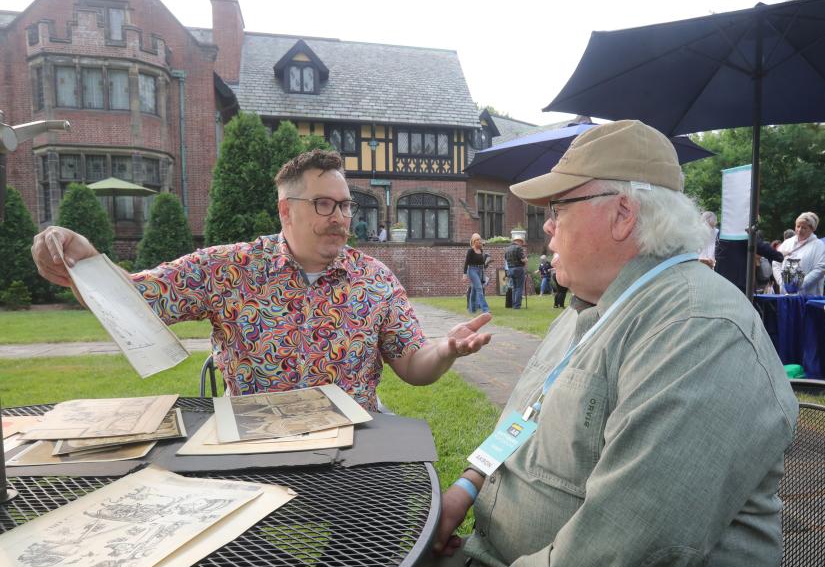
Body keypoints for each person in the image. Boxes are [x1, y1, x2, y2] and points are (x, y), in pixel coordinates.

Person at [387, 120, 798, 567]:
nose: (546, 226)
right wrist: (466, 487)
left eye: (559, 207)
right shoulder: (590, 309)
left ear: (622, 213)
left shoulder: (697, 327)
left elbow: (640, 538)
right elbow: (523, 421)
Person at [32, 148, 492, 411]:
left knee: (384, 537)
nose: (341, 217)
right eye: (325, 204)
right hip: (255, 450)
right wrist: (84, 264)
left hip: (353, 450)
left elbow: (412, 366)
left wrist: (445, 350)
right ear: (285, 210)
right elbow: (136, 301)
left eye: (347, 204)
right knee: (237, 560)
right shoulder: (227, 269)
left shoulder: (374, 280)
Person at [777, 212, 825, 295]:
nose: (799, 230)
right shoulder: (787, 243)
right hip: (785, 294)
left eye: (804, 228)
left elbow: (821, 268)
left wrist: (800, 284)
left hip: (808, 294)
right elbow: (776, 262)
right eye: (798, 226)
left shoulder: (819, 245)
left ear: (812, 229)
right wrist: (781, 281)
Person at [463, 233, 491, 314]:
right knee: (479, 288)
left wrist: (486, 258)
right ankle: (485, 309)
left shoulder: (481, 250)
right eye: (477, 240)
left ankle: (472, 310)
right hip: (472, 270)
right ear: (473, 241)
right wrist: (464, 274)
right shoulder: (470, 251)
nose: (479, 241)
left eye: (480, 239)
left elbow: (482, 263)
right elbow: (466, 263)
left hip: (479, 270)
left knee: (474, 290)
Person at [504, 234, 527, 309]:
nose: (522, 244)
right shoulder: (518, 248)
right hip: (518, 269)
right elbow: (523, 259)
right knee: (519, 287)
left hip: (510, 269)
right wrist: (526, 260)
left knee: (514, 287)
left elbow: (506, 259)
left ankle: (514, 304)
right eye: (521, 242)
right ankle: (517, 305)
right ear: (519, 241)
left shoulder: (507, 249)